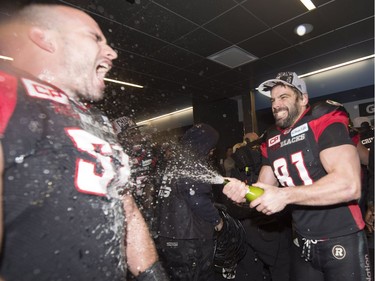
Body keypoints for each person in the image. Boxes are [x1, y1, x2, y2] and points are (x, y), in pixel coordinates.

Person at [0, 4, 168, 281]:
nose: (111, 52)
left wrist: (153, 275)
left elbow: (125, 207)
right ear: (45, 39)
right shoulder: (7, 93)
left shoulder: (98, 120)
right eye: (95, 38)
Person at [222, 72, 372, 281]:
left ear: (303, 99)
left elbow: (349, 185)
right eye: (273, 99)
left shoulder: (323, 121)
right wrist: (243, 192)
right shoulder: (272, 138)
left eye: (284, 97)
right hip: (302, 240)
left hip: (341, 236)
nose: (276, 104)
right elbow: (263, 190)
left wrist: (285, 196)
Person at [155, 123, 224, 281]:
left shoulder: (172, 162)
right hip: (190, 237)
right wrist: (216, 219)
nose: (212, 152)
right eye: (211, 147)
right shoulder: (193, 163)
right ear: (204, 144)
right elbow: (197, 199)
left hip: (168, 235)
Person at [221, 132, 292, 281]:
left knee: (250, 272)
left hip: (248, 229)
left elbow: (232, 204)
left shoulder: (239, 161)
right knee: (282, 270)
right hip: (274, 229)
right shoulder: (278, 154)